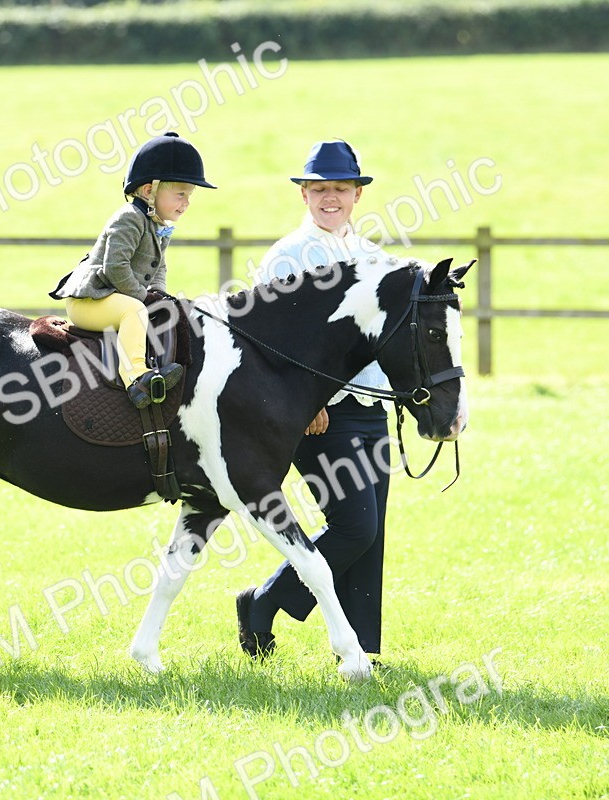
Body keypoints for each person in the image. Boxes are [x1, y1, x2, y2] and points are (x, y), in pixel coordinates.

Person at [236, 140, 400, 662]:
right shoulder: (290, 256)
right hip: (320, 415)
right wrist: (306, 403)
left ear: (357, 195)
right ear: (305, 195)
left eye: (341, 189)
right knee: (355, 526)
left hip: (372, 407)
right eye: (320, 189)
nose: (331, 197)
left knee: (371, 533)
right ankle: (262, 603)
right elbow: (267, 338)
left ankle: (360, 649)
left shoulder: (372, 255)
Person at [50, 132, 216, 408]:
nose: (187, 202)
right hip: (90, 300)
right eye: (180, 194)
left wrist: (159, 296)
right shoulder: (129, 219)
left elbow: (160, 267)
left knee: (158, 310)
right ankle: (137, 378)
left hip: (117, 298)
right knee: (135, 311)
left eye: (190, 195)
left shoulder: (159, 225)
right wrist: (144, 297)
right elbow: (115, 268)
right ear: (150, 191)